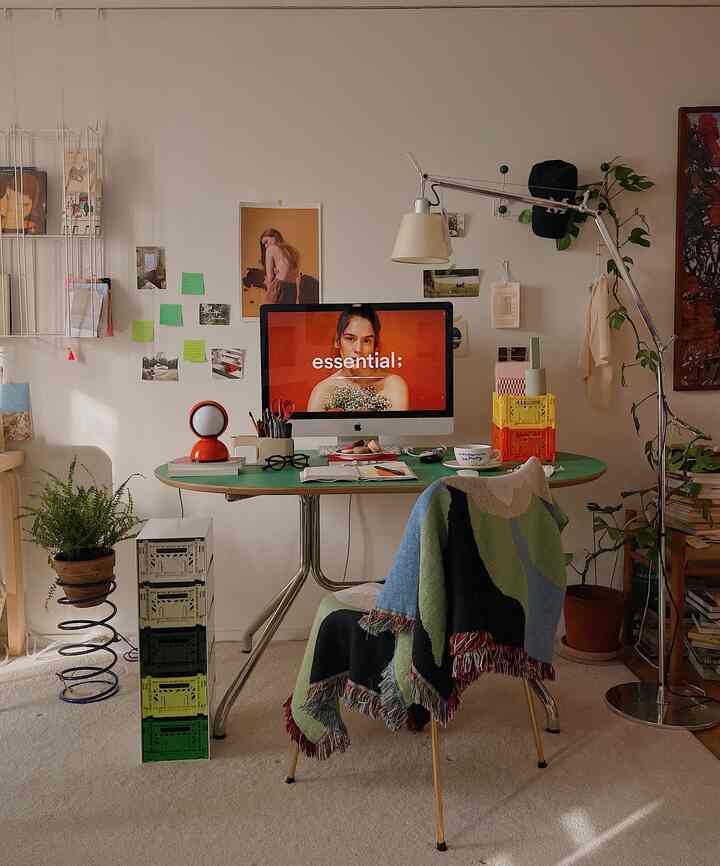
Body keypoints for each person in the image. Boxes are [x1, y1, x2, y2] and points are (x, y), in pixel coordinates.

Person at [307, 305, 409, 412]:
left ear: (375, 346)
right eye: (350, 338)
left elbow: (397, 428)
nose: (358, 349)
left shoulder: (394, 385)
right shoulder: (323, 391)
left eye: (366, 341)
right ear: (337, 341)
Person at [259, 228, 300, 304]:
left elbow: (270, 277)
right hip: (292, 287)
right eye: (264, 244)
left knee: (271, 313)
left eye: (266, 242)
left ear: (274, 236)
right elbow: (294, 272)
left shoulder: (271, 249)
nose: (265, 246)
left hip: (278, 286)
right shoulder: (292, 251)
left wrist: (268, 292)